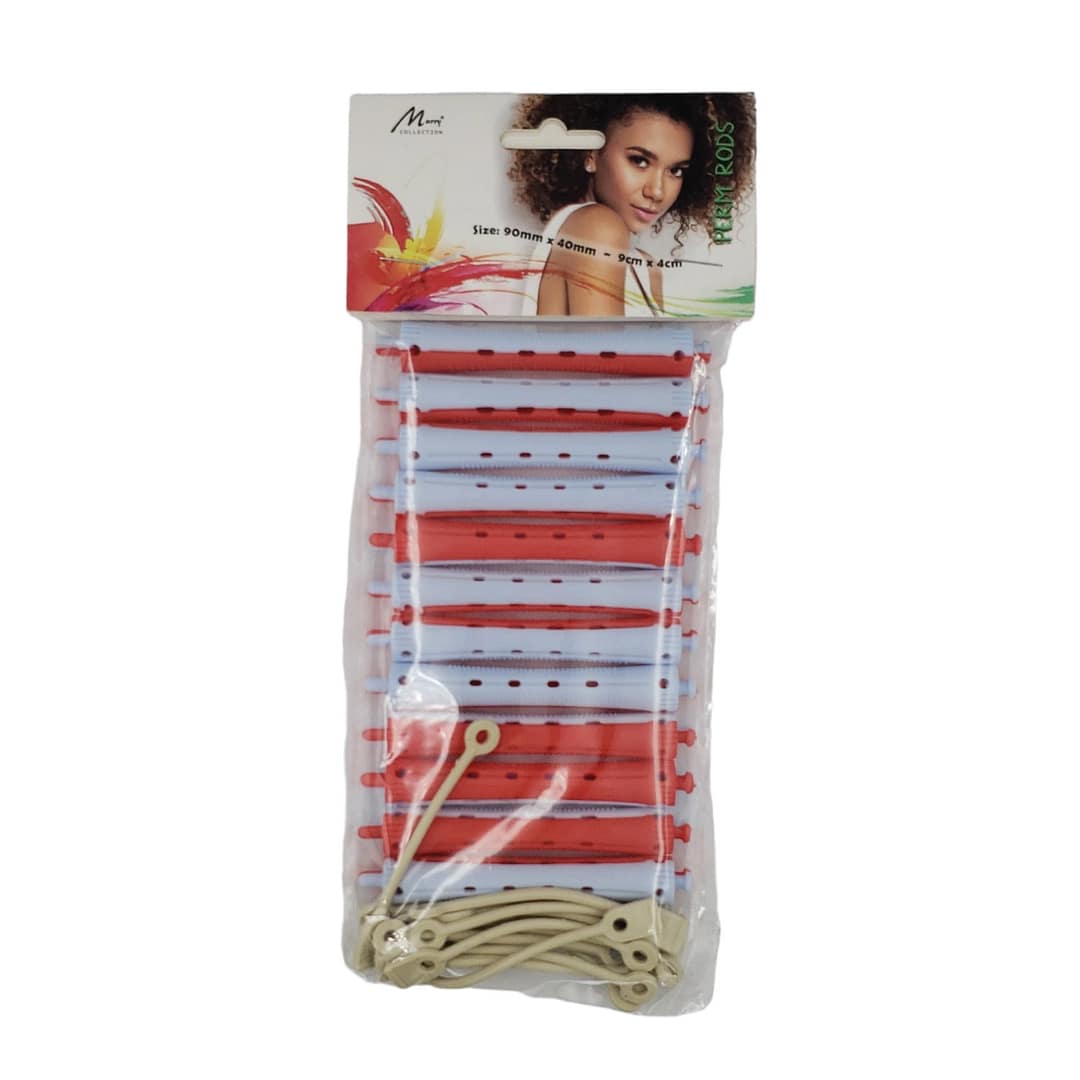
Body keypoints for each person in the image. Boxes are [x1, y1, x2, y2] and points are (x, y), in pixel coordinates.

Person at [509, 94, 755, 316]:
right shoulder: (597, 227)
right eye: (639, 161)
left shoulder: (646, 269)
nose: (657, 191)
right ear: (591, 155)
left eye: (675, 170)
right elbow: (606, 352)